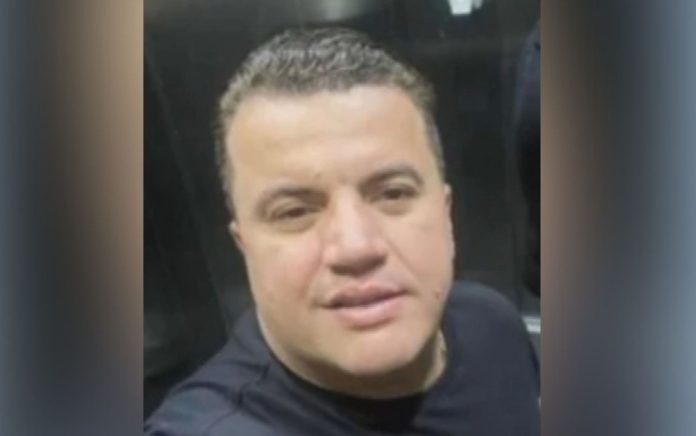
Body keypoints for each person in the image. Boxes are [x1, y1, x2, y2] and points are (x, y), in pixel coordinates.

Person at [145, 27, 539, 436]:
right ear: (244, 247)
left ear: (446, 214)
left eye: (393, 193)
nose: (356, 247)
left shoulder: (491, 324)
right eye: (294, 212)